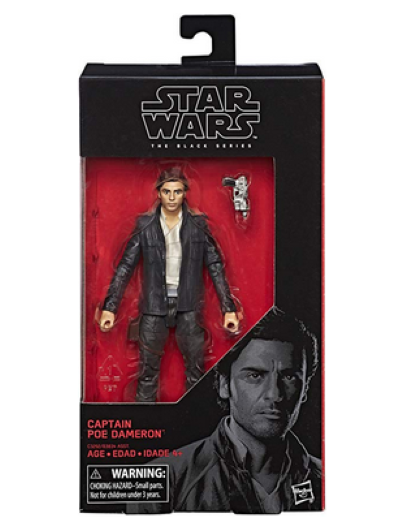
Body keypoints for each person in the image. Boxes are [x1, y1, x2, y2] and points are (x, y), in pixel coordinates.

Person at [128, 307, 321, 513]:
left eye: (289, 377)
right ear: (224, 385)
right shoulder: (166, 479)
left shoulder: (325, 480)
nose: (274, 394)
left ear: (305, 389)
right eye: (255, 376)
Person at [98, 167, 240, 402]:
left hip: (189, 306)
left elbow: (215, 266)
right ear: (158, 193)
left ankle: (195, 420)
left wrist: (228, 309)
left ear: (185, 193)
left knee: (196, 373)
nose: (172, 197)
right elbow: (125, 267)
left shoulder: (198, 225)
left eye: (177, 191)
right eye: (167, 191)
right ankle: (145, 421)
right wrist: (110, 308)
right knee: (147, 373)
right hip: (154, 307)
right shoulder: (145, 226)